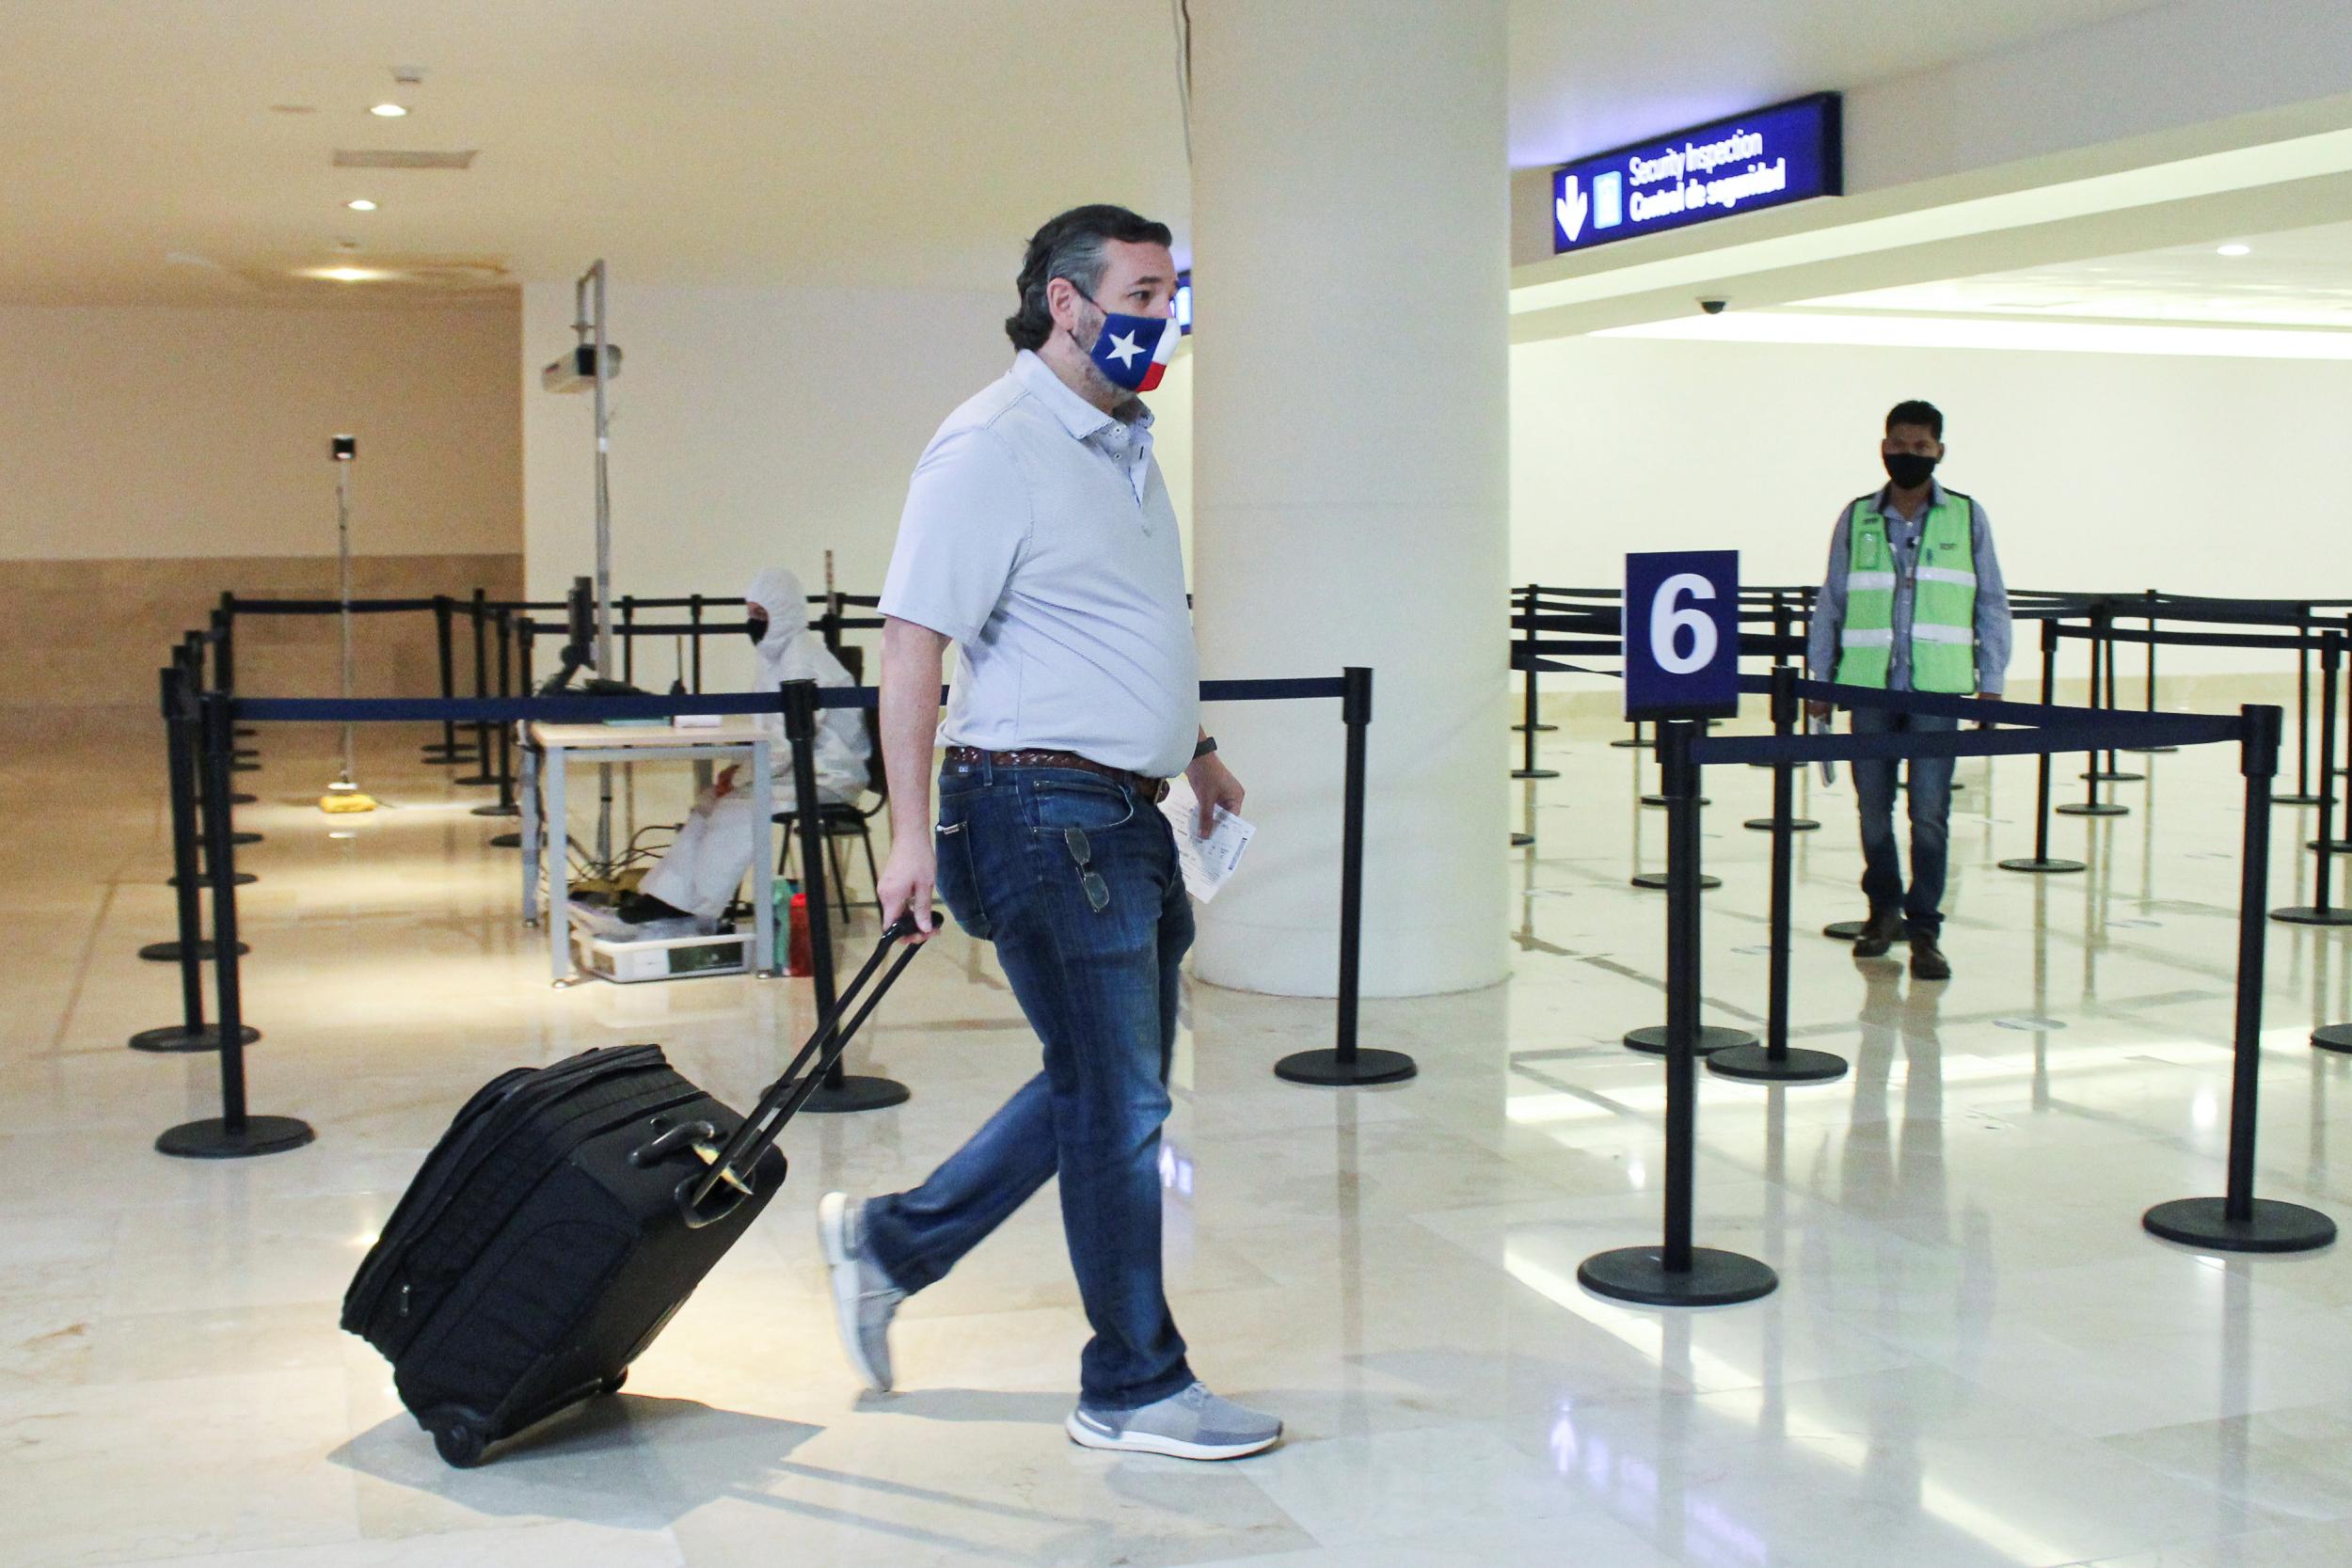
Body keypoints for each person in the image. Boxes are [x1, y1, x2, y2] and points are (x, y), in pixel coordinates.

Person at [814, 204, 1277, 1462]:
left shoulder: (1126, 441)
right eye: (1139, 292)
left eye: (1170, 291)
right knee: (1119, 1096)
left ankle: (892, 1240)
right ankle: (1130, 1381)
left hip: (1125, 811)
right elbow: (910, 647)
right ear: (1066, 303)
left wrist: (1196, 748)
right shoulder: (990, 443)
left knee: (1108, 1081)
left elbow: (1114, 620)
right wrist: (909, 835)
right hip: (1036, 810)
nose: (1160, 316)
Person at [1805, 400, 2010, 981]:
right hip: (1869, 689)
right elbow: (1833, 602)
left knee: (1930, 815)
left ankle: (1924, 929)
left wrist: (1990, 684)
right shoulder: (1857, 517)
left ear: (1939, 452)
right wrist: (1820, 679)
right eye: (1899, 444)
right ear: (1882, 446)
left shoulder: (1967, 518)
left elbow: (1991, 603)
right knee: (1873, 811)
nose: (1908, 455)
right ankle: (1882, 912)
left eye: (1921, 447)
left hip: (1936, 693)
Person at [625, 566, 868, 924]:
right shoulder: (777, 657)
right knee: (710, 799)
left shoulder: (802, 661)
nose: (753, 623)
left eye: (761, 614)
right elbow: (772, 738)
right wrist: (738, 773)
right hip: (798, 770)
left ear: (783, 612)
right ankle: (667, 895)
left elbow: (789, 744)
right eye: (751, 613)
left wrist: (740, 779)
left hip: (828, 777)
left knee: (738, 806)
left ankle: (697, 907)